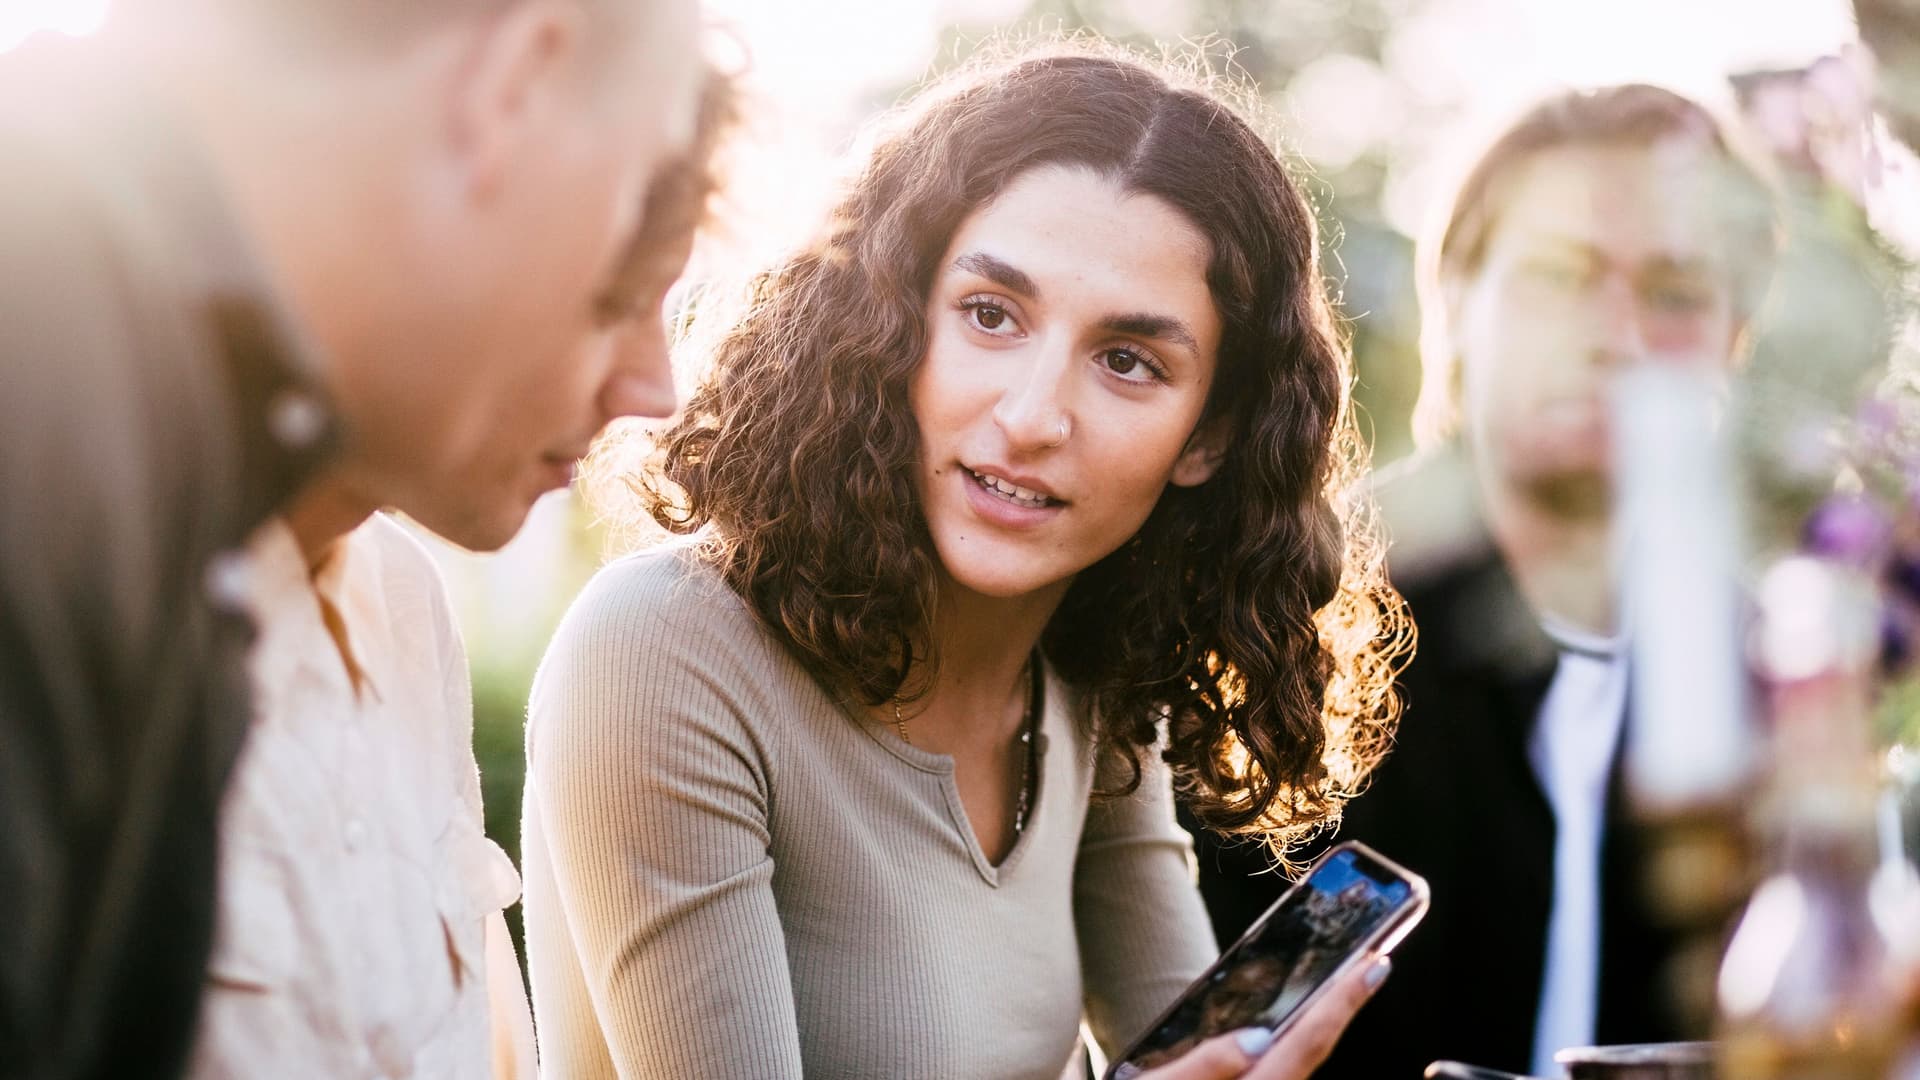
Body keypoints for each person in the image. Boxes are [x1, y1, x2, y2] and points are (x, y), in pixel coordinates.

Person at [519, 46, 1410, 1080]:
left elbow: (1190, 1051)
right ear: (890, 317)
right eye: (991, 315)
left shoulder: (1087, 685)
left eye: (1128, 361)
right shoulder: (666, 648)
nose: (1032, 417)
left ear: (1208, 436)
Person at [0, 0, 702, 1076]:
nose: (655, 386)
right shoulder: (54, 361)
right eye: (622, 252)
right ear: (516, 83)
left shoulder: (174, 419)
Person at [1184, 84, 1780, 1078]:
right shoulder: (1273, 608)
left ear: (1733, 340)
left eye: (1675, 292)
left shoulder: (1771, 671)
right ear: (1456, 296)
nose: (1617, 338)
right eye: (1562, 275)